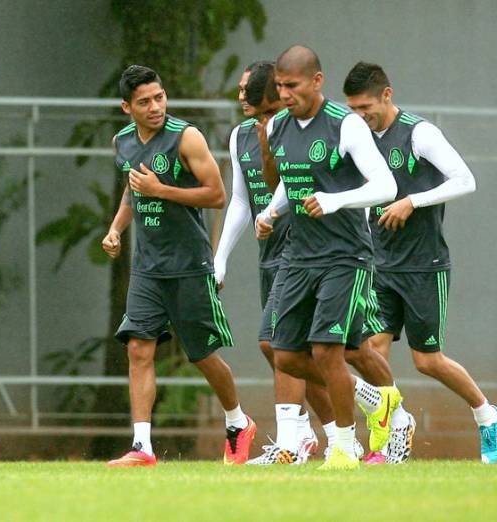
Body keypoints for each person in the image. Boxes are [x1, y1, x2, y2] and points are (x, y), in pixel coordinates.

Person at [343, 61, 497, 464]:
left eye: (366, 108)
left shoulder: (420, 134)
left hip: (423, 264)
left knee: (426, 360)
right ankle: (391, 435)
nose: (361, 117)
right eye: (354, 110)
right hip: (379, 263)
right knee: (371, 352)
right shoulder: (359, 138)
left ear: (387, 94)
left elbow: (465, 180)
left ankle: (487, 414)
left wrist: (412, 201)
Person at [254, 45, 402, 470]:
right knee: (284, 354)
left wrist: (335, 201)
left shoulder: (346, 125)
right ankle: (373, 399)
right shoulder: (278, 126)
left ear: (317, 82)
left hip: (345, 255)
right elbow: (295, 179)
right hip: (299, 253)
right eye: (280, 86)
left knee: (326, 349)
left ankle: (343, 446)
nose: (284, 94)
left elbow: (386, 186)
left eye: (292, 86)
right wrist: (271, 210)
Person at [102, 65, 254, 468]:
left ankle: (238, 422)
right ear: (126, 108)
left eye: (159, 97)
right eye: (144, 102)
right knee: (138, 348)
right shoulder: (122, 142)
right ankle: (142, 447)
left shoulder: (186, 137)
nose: (155, 107)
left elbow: (217, 195)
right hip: (147, 268)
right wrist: (116, 229)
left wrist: (162, 190)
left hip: (189, 264)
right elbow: (132, 190)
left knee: (202, 354)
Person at [215, 61, 335, 464]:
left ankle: (294, 441)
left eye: (252, 89)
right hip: (270, 256)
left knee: (282, 343)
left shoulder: (298, 129)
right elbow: (240, 200)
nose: (243, 96)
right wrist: (221, 259)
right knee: (289, 353)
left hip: (308, 251)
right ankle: (339, 429)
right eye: (242, 89)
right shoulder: (240, 136)